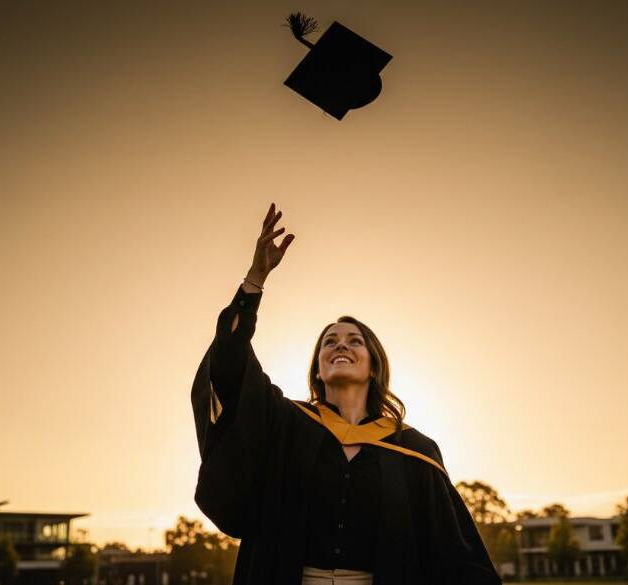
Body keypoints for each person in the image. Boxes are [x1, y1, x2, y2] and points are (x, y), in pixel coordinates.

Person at [191, 203, 502, 585]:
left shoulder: (414, 450)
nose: (341, 346)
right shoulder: (286, 424)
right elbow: (230, 367)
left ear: (374, 365)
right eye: (329, 342)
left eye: (355, 341)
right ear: (318, 369)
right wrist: (255, 281)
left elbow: (455, 554)